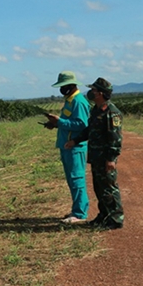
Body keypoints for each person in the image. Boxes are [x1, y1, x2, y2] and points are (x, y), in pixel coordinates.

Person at [66, 77, 124, 230]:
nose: (90, 92)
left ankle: (115, 218)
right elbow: (89, 130)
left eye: (93, 90)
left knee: (109, 187)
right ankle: (103, 216)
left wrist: (111, 159)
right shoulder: (96, 110)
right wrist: (75, 140)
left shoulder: (112, 113)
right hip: (96, 157)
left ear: (101, 93)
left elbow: (115, 138)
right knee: (99, 188)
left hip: (105, 158)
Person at [44, 71, 91, 224]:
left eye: (64, 86)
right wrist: (55, 124)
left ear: (72, 85)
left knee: (77, 180)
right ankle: (76, 210)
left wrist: (60, 122)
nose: (62, 89)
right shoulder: (70, 101)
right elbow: (70, 123)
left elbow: (82, 125)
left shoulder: (78, 101)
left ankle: (80, 213)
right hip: (66, 147)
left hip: (75, 147)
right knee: (72, 180)